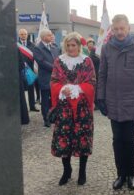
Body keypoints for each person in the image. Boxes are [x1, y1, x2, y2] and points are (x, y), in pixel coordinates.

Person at [97, 14, 134, 190]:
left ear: (128, 29)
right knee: (117, 140)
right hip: (113, 101)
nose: (119, 32)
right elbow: (102, 74)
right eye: (116, 29)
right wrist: (101, 98)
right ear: (112, 29)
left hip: (132, 102)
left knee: (130, 140)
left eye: (122, 28)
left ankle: (131, 174)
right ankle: (121, 174)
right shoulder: (106, 48)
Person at [50, 32, 96, 186]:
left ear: (79, 46)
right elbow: (54, 80)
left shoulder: (87, 61)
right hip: (64, 108)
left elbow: (92, 82)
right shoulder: (59, 61)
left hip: (82, 107)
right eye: (68, 45)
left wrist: (79, 88)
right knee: (64, 137)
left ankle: (82, 172)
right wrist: (62, 89)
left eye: (73, 45)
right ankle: (67, 170)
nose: (70, 48)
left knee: (83, 139)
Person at [33, 29, 60, 127]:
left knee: (55, 98)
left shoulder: (55, 47)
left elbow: (59, 59)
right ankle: (46, 118)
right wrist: (56, 68)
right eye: (49, 35)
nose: (52, 36)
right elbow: (41, 62)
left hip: (57, 78)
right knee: (45, 99)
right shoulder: (37, 48)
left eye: (52, 35)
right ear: (44, 37)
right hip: (45, 78)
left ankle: (55, 116)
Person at [18, 28, 39, 112]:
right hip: (20, 69)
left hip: (30, 70)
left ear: (27, 35)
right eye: (22, 34)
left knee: (31, 88)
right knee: (21, 89)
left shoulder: (32, 45)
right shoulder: (16, 44)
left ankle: (32, 106)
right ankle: (22, 109)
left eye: (25, 34)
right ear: (19, 35)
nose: (23, 36)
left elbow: (35, 58)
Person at [87, 38, 100, 109]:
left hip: (96, 72)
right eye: (89, 45)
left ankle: (96, 104)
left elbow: (92, 59)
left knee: (96, 89)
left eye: (91, 44)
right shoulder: (89, 51)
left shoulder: (94, 51)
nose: (90, 46)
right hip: (92, 72)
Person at [18, 49, 30, 125]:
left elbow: (22, 65)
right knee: (21, 99)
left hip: (14, 77)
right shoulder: (16, 48)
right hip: (16, 77)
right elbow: (22, 65)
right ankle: (23, 119)